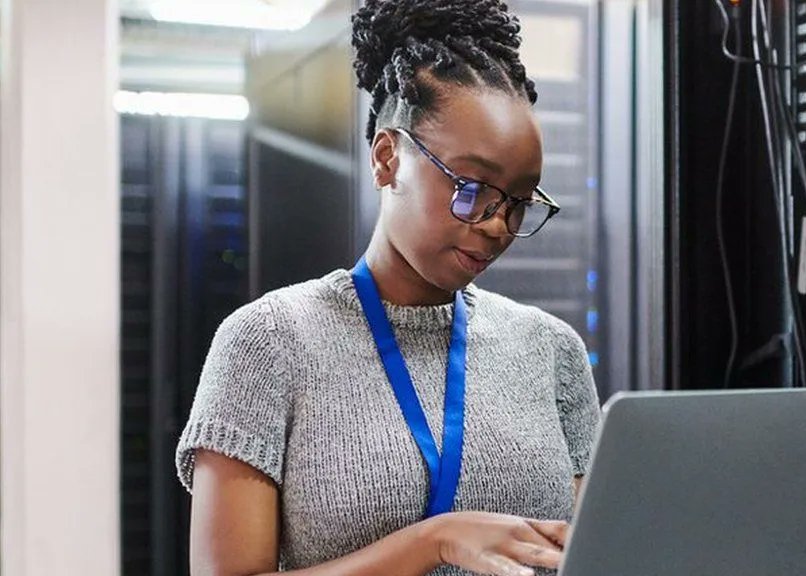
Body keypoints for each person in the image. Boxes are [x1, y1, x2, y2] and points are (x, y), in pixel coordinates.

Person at [174, 1, 601, 575]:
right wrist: (435, 541)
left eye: (518, 202)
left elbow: (593, 554)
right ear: (387, 157)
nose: (497, 224)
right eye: (472, 189)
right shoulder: (268, 343)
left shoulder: (551, 350)